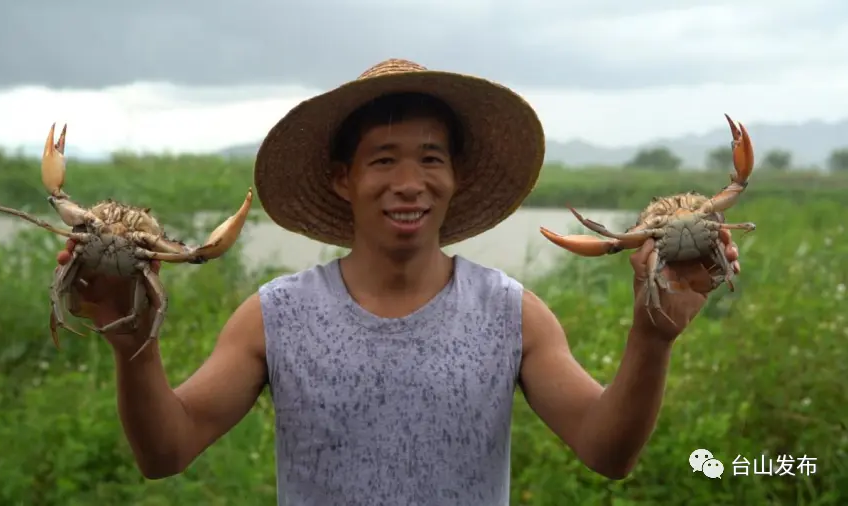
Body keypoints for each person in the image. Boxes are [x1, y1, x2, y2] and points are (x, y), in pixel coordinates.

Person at [55, 59, 741, 505]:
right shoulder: (275, 317)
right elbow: (165, 451)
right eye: (383, 159)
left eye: (430, 158)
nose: (409, 182)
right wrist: (132, 340)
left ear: (457, 176)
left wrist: (652, 337)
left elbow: (608, 450)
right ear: (342, 178)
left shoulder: (512, 314)